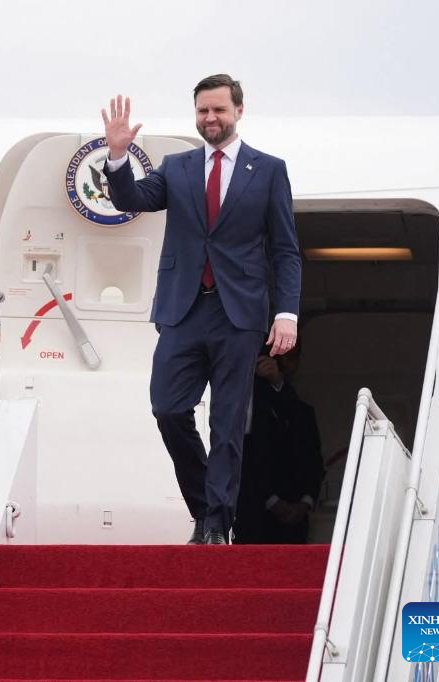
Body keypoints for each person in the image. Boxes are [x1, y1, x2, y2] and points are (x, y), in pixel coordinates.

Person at [101, 74, 301, 544]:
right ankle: (205, 506)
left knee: (226, 424)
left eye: (219, 110)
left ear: (239, 111)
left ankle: (215, 526)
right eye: (202, 110)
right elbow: (131, 199)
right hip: (183, 309)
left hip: (239, 314)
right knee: (167, 409)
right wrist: (117, 156)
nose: (210, 118)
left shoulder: (269, 170)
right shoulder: (178, 166)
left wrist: (286, 313)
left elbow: (285, 250)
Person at [234, 342, 324, 544]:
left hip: (296, 517)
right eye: (282, 356)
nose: (286, 363)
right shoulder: (249, 402)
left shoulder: (303, 412)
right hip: (254, 513)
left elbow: (312, 458)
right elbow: (248, 454)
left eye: (292, 356)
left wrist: (305, 502)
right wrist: (272, 502)